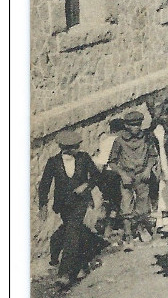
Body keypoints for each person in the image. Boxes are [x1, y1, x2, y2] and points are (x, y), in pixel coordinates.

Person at [38, 130, 107, 287]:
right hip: (63, 205)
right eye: (75, 146)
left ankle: (65, 273)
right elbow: (45, 184)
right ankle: (82, 264)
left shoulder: (84, 158)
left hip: (81, 202)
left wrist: (86, 185)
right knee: (71, 231)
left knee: (72, 233)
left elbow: (97, 176)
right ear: (66, 148)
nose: (79, 148)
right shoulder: (53, 162)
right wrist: (42, 204)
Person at [106, 110, 159, 241]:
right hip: (127, 176)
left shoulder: (147, 138)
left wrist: (148, 169)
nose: (136, 128)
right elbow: (112, 162)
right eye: (133, 125)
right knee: (126, 205)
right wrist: (122, 174)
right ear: (127, 126)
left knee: (143, 205)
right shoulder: (119, 141)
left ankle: (141, 228)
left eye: (138, 125)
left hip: (142, 175)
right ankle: (129, 234)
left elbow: (153, 156)